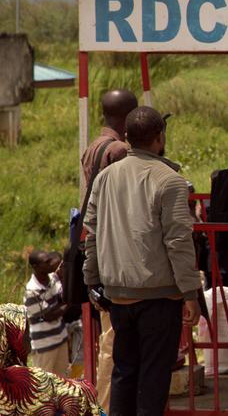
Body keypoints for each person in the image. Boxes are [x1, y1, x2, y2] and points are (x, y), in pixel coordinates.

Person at [82, 106, 201, 416]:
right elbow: (178, 242)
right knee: (153, 379)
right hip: (159, 296)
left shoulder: (105, 178)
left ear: (127, 138)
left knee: (124, 372)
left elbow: (91, 232)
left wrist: (91, 281)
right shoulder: (170, 180)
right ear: (159, 138)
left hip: (118, 295)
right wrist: (190, 294)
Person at [77, 88, 136, 409]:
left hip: (97, 245)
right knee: (114, 341)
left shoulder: (94, 146)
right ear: (129, 116)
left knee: (109, 337)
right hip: (115, 249)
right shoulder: (119, 150)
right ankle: (106, 405)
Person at [0, 303, 103, 415]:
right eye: (25, 331)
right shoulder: (23, 380)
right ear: (10, 335)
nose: (30, 337)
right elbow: (79, 396)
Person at [24, 250, 70, 377]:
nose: (51, 263)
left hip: (60, 338)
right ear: (36, 267)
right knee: (45, 385)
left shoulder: (53, 278)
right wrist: (69, 303)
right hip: (44, 345)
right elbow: (49, 315)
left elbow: (62, 298)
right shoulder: (32, 291)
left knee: (63, 382)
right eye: (46, 262)